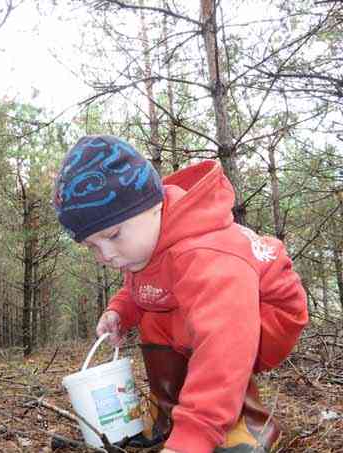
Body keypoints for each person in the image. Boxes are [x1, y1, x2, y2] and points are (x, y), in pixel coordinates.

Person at [54, 134, 308, 453]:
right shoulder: (150, 241)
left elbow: (225, 343)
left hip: (266, 312)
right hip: (223, 307)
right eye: (92, 246)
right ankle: (168, 417)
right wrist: (120, 311)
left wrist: (195, 436)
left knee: (200, 331)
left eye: (113, 235)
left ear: (153, 206)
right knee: (157, 319)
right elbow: (147, 284)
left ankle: (245, 425)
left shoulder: (205, 254)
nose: (105, 255)